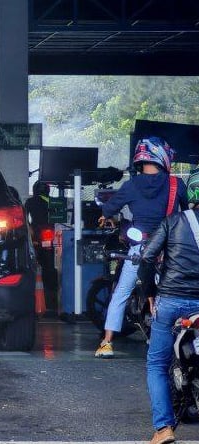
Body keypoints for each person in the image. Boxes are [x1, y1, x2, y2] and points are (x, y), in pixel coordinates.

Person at [95, 136, 187, 358]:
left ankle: (107, 343)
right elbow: (188, 212)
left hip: (141, 248)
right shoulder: (176, 184)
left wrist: (104, 217)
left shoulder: (131, 185)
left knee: (121, 293)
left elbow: (108, 209)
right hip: (171, 250)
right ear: (162, 156)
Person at [137, 168, 199, 444]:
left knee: (157, 364)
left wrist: (150, 293)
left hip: (171, 301)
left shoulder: (172, 221)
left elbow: (147, 259)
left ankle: (163, 429)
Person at [25, 181, 57, 314]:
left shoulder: (30, 202)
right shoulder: (53, 201)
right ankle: (52, 302)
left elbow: (24, 219)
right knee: (49, 268)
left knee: (31, 265)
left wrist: (30, 230)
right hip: (49, 235)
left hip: (35, 235)